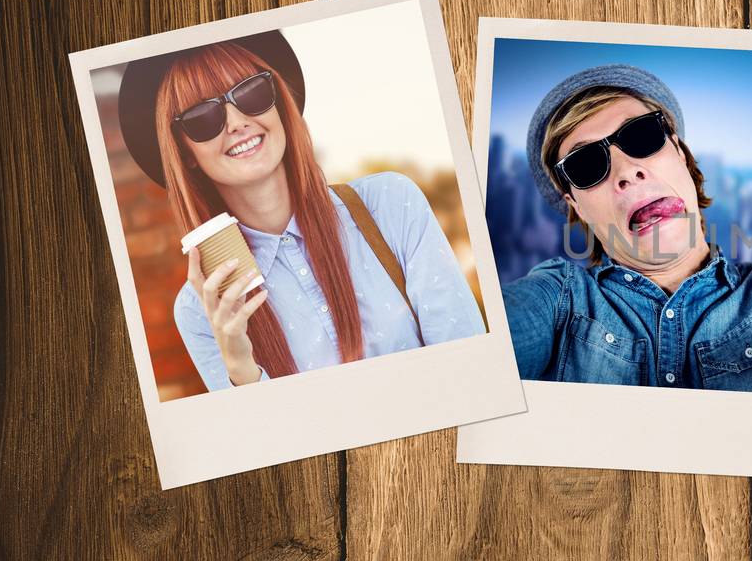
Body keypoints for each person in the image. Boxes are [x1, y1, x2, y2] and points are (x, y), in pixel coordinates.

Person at [117, 31, 485, 391]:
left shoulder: (390, 204)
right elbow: (269, 449)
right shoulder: (200, 311)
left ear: (278, 104)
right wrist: (241, 369)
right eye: (202, 117)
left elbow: (470, 371)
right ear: (186, 155)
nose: (236, 122)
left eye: (250, 92)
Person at [502, 64, 752, 394]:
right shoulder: (558, 298)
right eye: (587, 165)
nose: (628, 171)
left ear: (680, 153)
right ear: (576, 206)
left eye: (642, 136)